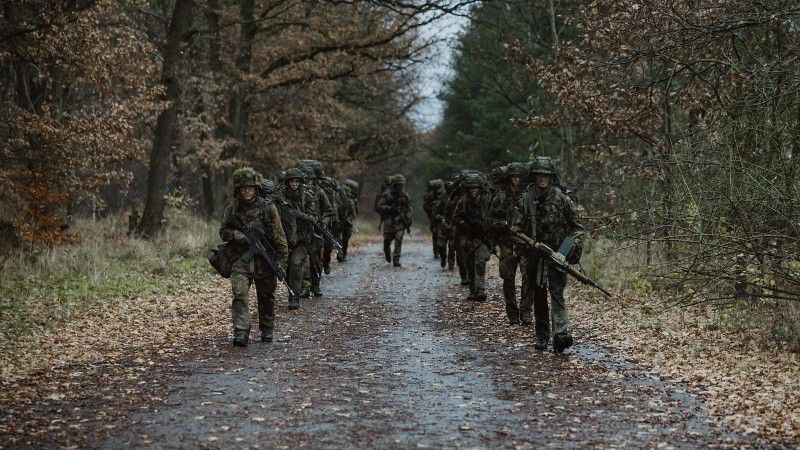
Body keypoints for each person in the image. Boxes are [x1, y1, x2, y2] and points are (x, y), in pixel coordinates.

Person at [511, 157, 585, 352]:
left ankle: (561, 334)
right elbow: (515, 230)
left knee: (557, 293)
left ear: (551, 177)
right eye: (539, 175)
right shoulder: (525, 200)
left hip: (559, 254)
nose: (542, 179)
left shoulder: (562, 199)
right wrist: (530, 243)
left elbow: (578, 228)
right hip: (535, 255)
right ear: (534, 177)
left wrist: (567, 249)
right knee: (539, 296)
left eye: (546, 175)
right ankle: (542, 336)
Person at [219, 167, 289, 346]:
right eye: (243, 188)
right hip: (240, 260)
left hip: (265, 262)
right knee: (240, 295)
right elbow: (223, 231)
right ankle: (241, 331)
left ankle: (266, 328)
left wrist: (281, 263)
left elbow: (279, 237)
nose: (247, 190)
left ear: (256, 188)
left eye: (250, 187)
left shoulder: (268, 209)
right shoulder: (232, 208)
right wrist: (237, 235)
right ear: (238, 190)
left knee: (266, 297)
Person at [488, 162, 528, 324]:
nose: (517, 179)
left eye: (519, 176)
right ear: (509, 178)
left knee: (528, 277)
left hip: (525, 243)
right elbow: (490, 221)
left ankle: (526, 311)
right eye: (514, 176)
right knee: (508, 277)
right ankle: (512, 312)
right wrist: (504, 224)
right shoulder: (501, 197)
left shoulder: (528, 195)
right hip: (507, 243)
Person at [275, 168, 317, 310]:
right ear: (287, 182)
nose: (294, 184)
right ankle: (292, 290)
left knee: (296, 265)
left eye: (297, 181)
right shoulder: (280, 197)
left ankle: (295, 297)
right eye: (292, 181)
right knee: (286, 270)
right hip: (284, 238)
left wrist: (299, 215)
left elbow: (313, 218)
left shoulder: (307, 197)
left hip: (301, 238)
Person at [453, 173, 493, 301]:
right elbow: (455, 217)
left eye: (475, 188)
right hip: (469, 237)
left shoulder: (488, 200)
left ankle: (480, 290)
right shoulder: (463, 202)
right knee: (470, 264)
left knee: (480, 261)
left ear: (480, 188)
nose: (473, 190)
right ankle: (472, 290)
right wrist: (465, 224)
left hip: (483, 237)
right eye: (471, 188)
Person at [375, 174, 412, 267]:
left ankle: (396, 259)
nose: (400, 187)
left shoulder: (405, 195)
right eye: (398, 184)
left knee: (399, 239)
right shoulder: (387, 194)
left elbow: (409, 208)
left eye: (401, 185)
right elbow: (379, 207)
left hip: (400, 223)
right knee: (387, 241)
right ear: (394, 185)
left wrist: (408, 216)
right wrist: (391, 208)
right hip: (389, 221)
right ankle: (387, 251)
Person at [423, 179, 445, 259]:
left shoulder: (444, 194)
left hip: (443, 216)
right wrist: (431, 211)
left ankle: (441, 250)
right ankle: (436, 251)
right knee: (435, 233)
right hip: (433, 217)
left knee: (442, 234)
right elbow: (425, 206)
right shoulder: (430, 195)